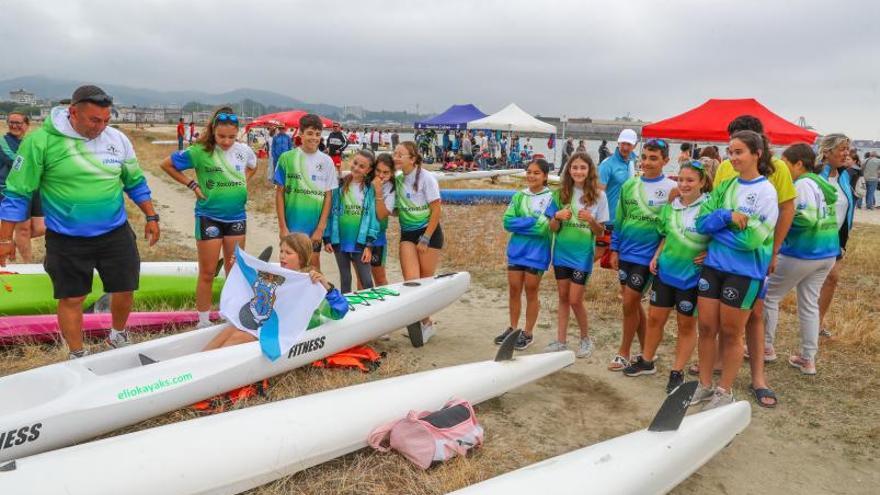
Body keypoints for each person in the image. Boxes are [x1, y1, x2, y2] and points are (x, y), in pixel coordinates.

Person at [0, 85, 160, 359]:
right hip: (67, 237)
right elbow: (17, 193)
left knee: (124, 288)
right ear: (73, 112)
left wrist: (151, 215)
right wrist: (5, 239)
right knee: (72, 298)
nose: (101, 126)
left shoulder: (117, 139)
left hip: (114, 231)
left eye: (106, 120)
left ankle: (118, 335)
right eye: (94, 120)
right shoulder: (41, 142)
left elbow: (134, 181)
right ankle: (77, 353)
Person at [709, 115, 796, 407]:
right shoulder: (724, 167)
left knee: (755, 315)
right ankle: (719, 366)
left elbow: (786, 210)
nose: (733, 154)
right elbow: (714, 207)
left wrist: (774, 251)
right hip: (723, 257)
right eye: (730, 144)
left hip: (756, 255)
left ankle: (758, 377)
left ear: (758, 143)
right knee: (722, 316)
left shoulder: (778, 169)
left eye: (740, 144)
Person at [692, 130, 779, 410]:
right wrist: (726, 216)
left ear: (757, 154)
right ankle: (705, 385)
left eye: (739, 151)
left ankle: (724, 390)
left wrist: (718, 233)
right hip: (714, 267)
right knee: (706, 328)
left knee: (731, 333)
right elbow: (702, 223)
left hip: (744, 273)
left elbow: (751, 240)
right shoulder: (727, 186)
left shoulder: (766, 191)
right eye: (730, 152)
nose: (733, 157)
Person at [160, 107, 257, 328]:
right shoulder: (199, 151)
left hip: (237, 218)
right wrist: (192, 184)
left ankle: (230, 314)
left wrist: (242, 181)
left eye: (232, 137)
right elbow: (166, 165)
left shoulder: (243, 150)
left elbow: (253, 166)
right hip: (209, 217)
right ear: (213, 131)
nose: (226, 141)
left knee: (234, 271)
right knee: (208, 271)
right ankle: (202, 320)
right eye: (221, 136)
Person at [623, 160, 711, 393]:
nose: (684, 184)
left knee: (685, 324)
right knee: (654, 319)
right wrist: (656, 255)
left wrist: (710, 252)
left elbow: (719, 238)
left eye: (690, 180)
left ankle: (677, 371)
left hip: (691, 277)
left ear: (702, 182)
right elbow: (664, 235)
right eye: (680, 179)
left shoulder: (709, 208)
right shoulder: (670, 207)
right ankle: (646, 360)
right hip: (665, 272)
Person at [763, 144, 838, 377]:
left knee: (769, 296)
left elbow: (805, 218)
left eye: (784, 164)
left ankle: (765, 346)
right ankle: (808, 358)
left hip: (803, 252)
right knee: (809, 305)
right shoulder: (820, 183)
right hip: (826, 253)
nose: (781, 170)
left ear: (798, 164)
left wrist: (778, 221)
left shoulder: (802, 184)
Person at [203, 232, 348, 350]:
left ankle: (204, 372)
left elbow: (340, 311)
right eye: (281, 251)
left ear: (302, 257)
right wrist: (241, 266)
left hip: (288, 333)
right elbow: (256, 285)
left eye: (288, 252)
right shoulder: (280, 274)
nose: (282, 256)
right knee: (230, 331)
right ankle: (196, 363)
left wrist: (326, 286)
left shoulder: (310, 281)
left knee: (241, 336)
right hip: (270, 324)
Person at [607, 139, 677, 371]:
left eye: (653, 158)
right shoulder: (629, 185)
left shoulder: (671, 189)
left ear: (665, 161)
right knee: (633, 305)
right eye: (644, 157)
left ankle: (623, 352)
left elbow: (672, 225)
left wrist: (660, 254)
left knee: (629, 302)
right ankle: (648, 351)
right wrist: (614, 248)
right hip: (625, 252)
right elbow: (620, 219)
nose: (647, 162)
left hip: (647, 258)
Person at [544, 153, 608, 357]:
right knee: (563, 297)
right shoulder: (559, 194)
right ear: (568, 170)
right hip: (561, 253)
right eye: (574, 167)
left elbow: (601, 233)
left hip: (582, 256)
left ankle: (585, 339)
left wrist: (591, 220)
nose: (578, 171)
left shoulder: (599, 196)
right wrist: (556, 216)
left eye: (582, 167)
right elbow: (552, 228)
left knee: (575, 299)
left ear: (589, 170)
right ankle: (561, 341)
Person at [494, 158, 553, 351]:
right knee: (513, 289)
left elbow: (543, 229)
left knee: (531, 291)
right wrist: (531, 221)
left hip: (537, 253)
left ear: (545, 176)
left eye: (536, 173)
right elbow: (507, 222)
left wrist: (523, 223)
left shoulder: (552, 198)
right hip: (516, 252)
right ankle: (513, 329)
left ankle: (527, 333)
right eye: (529, 172)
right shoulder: (519, 196)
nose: (531, 176)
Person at [275, 114, 338, 271]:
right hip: (291, 226)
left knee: (313, 269)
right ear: (300, 134)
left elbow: (328, 197)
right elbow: (279, 194)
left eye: (317, 134)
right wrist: (283, 227)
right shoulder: (286, 158)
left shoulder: (327, 161)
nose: (314, 138)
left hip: (313, 229)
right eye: (310, 133)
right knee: (290, 267)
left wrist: (320, 229)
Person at [395, 141, 442, 346]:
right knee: (412, 281)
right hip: (407, 234)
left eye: (400, 154)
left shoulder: (426, 178)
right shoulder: (397, 179)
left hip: (428, 234)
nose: (396, 157)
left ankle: (426, 323)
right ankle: (420, 321)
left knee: (425, 280)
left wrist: (426, 237)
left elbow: (436, 210)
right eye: (394, 153)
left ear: (412, 159)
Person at [324, 149, 379, 293]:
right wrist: (327, 238)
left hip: (360, 243)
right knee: (345, 278)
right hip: (339, 240)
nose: (356, 168)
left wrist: (369, 244)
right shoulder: (339, 185)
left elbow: (373, 218)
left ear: (369, 170)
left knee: (366, 281)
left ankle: (372, 311)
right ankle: (347, 312)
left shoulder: (369, 190)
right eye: (355, 163)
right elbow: (330, 213)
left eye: (362, 166)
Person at [817, 134, 854, 338]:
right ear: (827, 152)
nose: (846, 153)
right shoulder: (814, 176)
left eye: (847, 149)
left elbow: (847, 207)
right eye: (841, 149)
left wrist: (843, 240)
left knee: (832, 279)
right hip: (812, 239)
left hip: (835, 240)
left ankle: (818, 322)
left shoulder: (844, 176)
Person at [1, 113, 46, 263]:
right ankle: (28, 265)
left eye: (18, 123)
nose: (14, 125)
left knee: (41, 228)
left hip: (34, 189)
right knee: (24, 229)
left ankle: (11, 242)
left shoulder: (29, 142)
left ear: (27, 125)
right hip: (14, 191)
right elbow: (16, 161)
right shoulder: (3, 143)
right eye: (11, 122)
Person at [597, 129, 638, 262]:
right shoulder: (607, 164)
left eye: (629, 144)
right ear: (618, 142)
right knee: (596, 254)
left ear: (635, 145)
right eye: (623, 143)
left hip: (624, 219)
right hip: (607, 220)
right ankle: (577, 279)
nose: (625, 147)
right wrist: (599, 220)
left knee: (618, 257)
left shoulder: (632, 160)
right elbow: (598, 192)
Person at [369, 153, 397, 286]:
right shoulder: (365, 182)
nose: (381, 175)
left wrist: (378, 191)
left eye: (386, 172)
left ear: (392, 173)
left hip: (378, 238)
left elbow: (381, 215)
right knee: (363, 280)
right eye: (378, 171)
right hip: (358, 237)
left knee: (380, 278)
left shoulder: (391, 188)